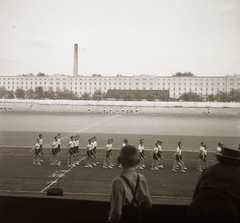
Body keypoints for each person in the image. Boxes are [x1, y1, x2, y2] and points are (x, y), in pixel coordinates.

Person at [186, 147, 240, 222]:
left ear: (220, 158)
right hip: (224, 211)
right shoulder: (237, 174)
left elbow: (196, 193)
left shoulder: (208, 170)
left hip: (197, 207)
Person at [108, 145, 152, 222]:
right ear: (138, 162)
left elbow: (116, 212)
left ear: (119, 160)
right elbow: (148, 204)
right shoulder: (141, 178)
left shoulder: (118, 182)